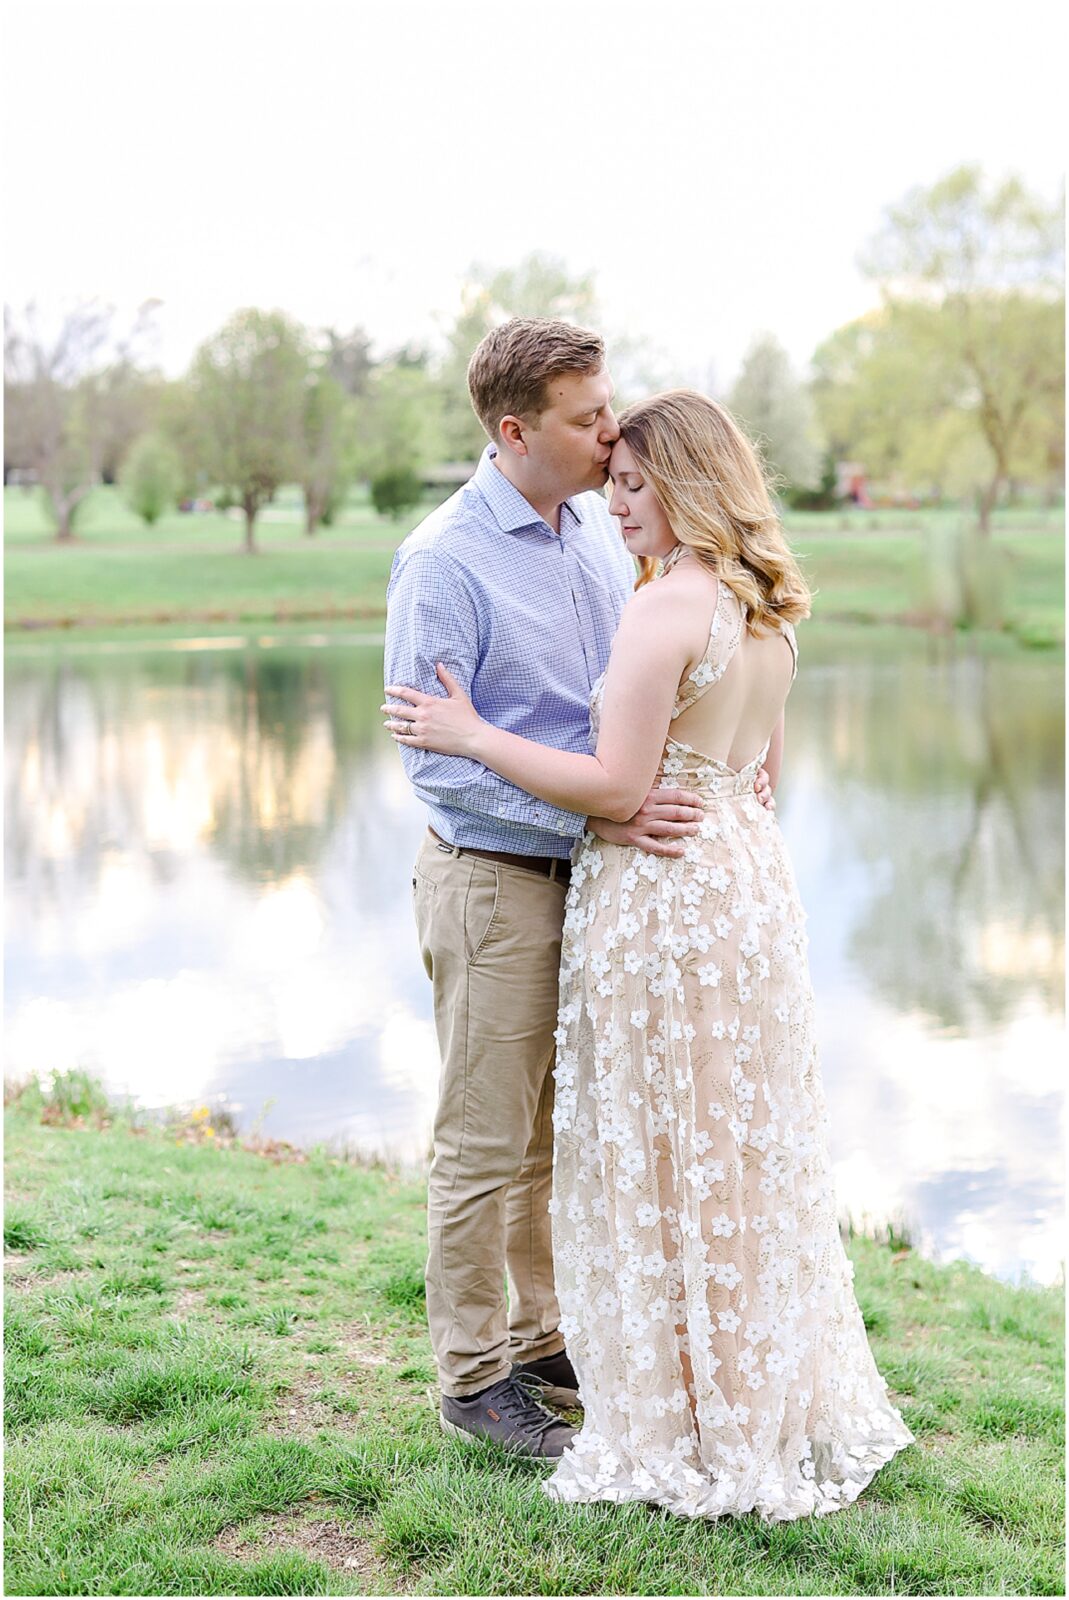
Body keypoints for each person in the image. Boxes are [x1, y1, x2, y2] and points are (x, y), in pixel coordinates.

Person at [384, 388, 915, 1520]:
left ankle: (649, 1384)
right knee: (717, 1139)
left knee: (654, 1142)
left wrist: (473, 729)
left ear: (683, 487)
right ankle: (594, 1375)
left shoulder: (660, 603)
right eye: (608, 471)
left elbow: (623, 787)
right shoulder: (758, 604)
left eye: (632, 481)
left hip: (660, 899)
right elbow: (764, 773)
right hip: (734, 886)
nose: (612, 497)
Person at [383, 324, 773, 1460]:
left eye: (608, 408)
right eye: (587, 416)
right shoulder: (444, 559)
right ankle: (470, 1377)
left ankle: (541, 1335)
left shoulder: (604, 539)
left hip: (605, 885)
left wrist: (626, 816)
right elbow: (435, 758)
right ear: (516, 431)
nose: (612, 431)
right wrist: (597, 809)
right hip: (494, 880)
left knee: (559, 1135)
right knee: (483, 1136)